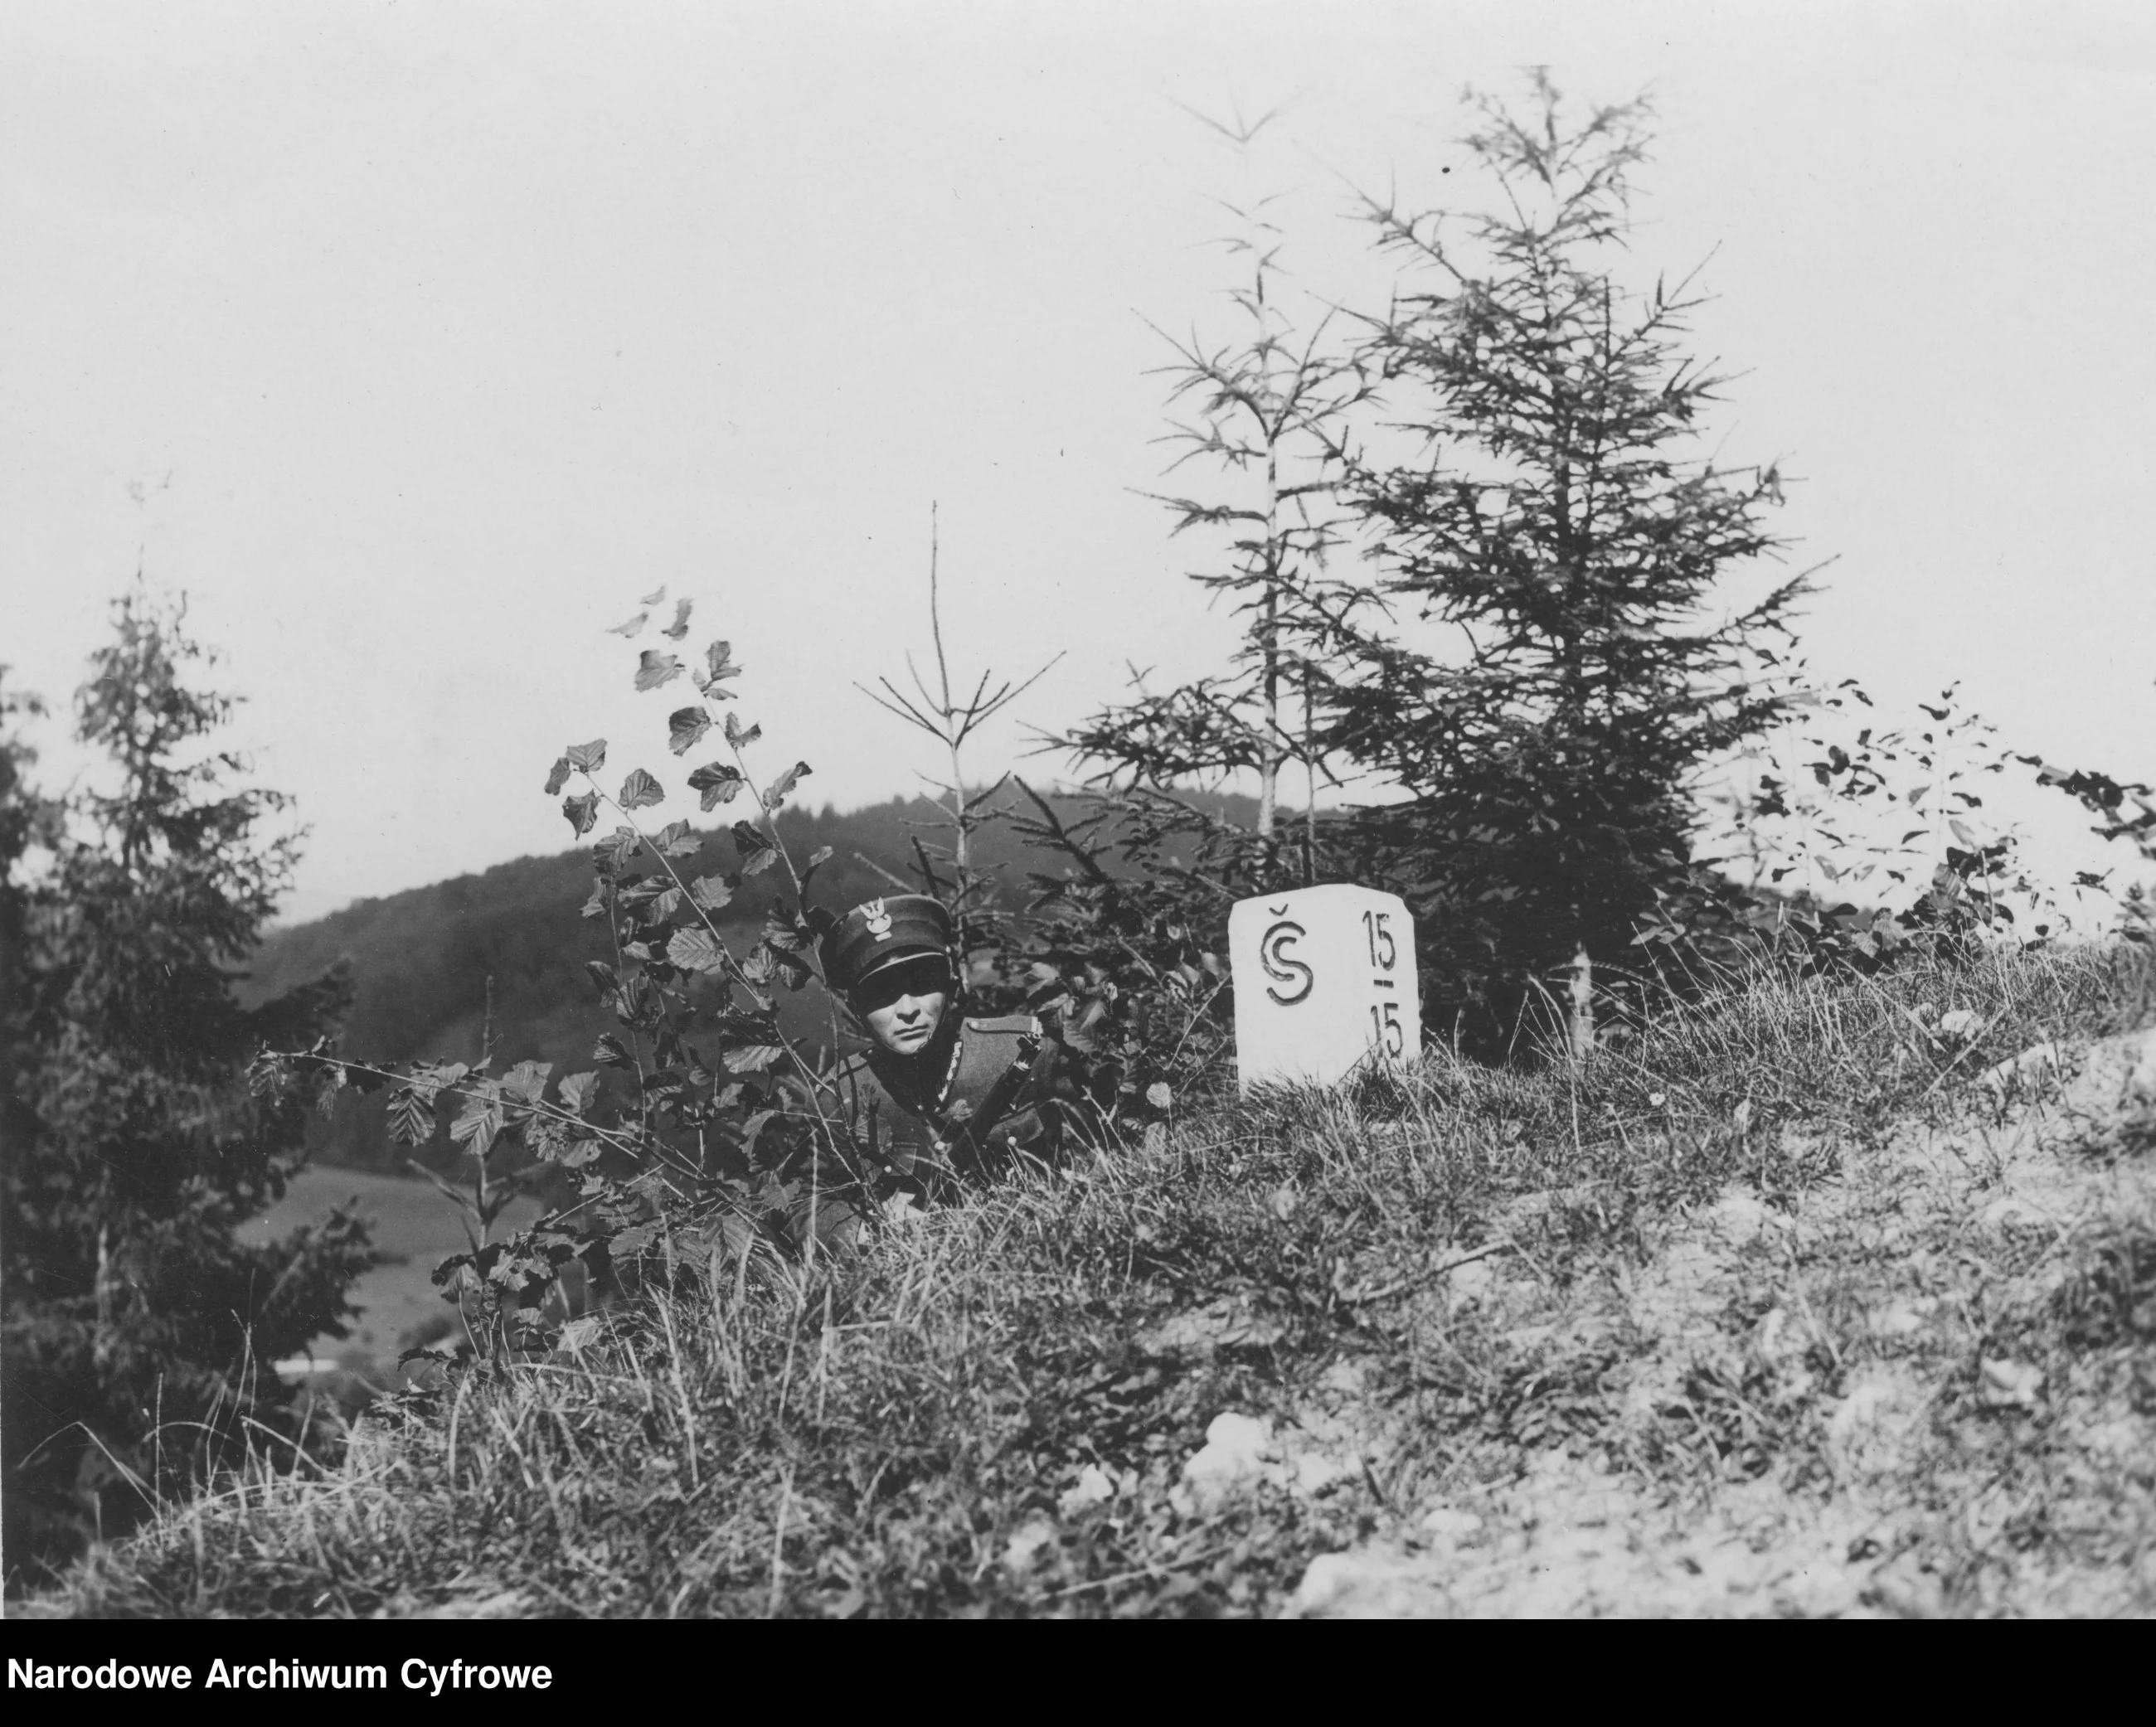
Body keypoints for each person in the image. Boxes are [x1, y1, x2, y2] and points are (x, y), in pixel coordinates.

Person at [799, 894, 1108, 1244]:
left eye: (920, 984)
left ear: (951, 988)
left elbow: (1100, 1148)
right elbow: (806, 1202)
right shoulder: (839, 1097)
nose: (907, 1010)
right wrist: (868, 1233)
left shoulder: (1026, 1051)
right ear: (856, 1009)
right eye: (882, 993)